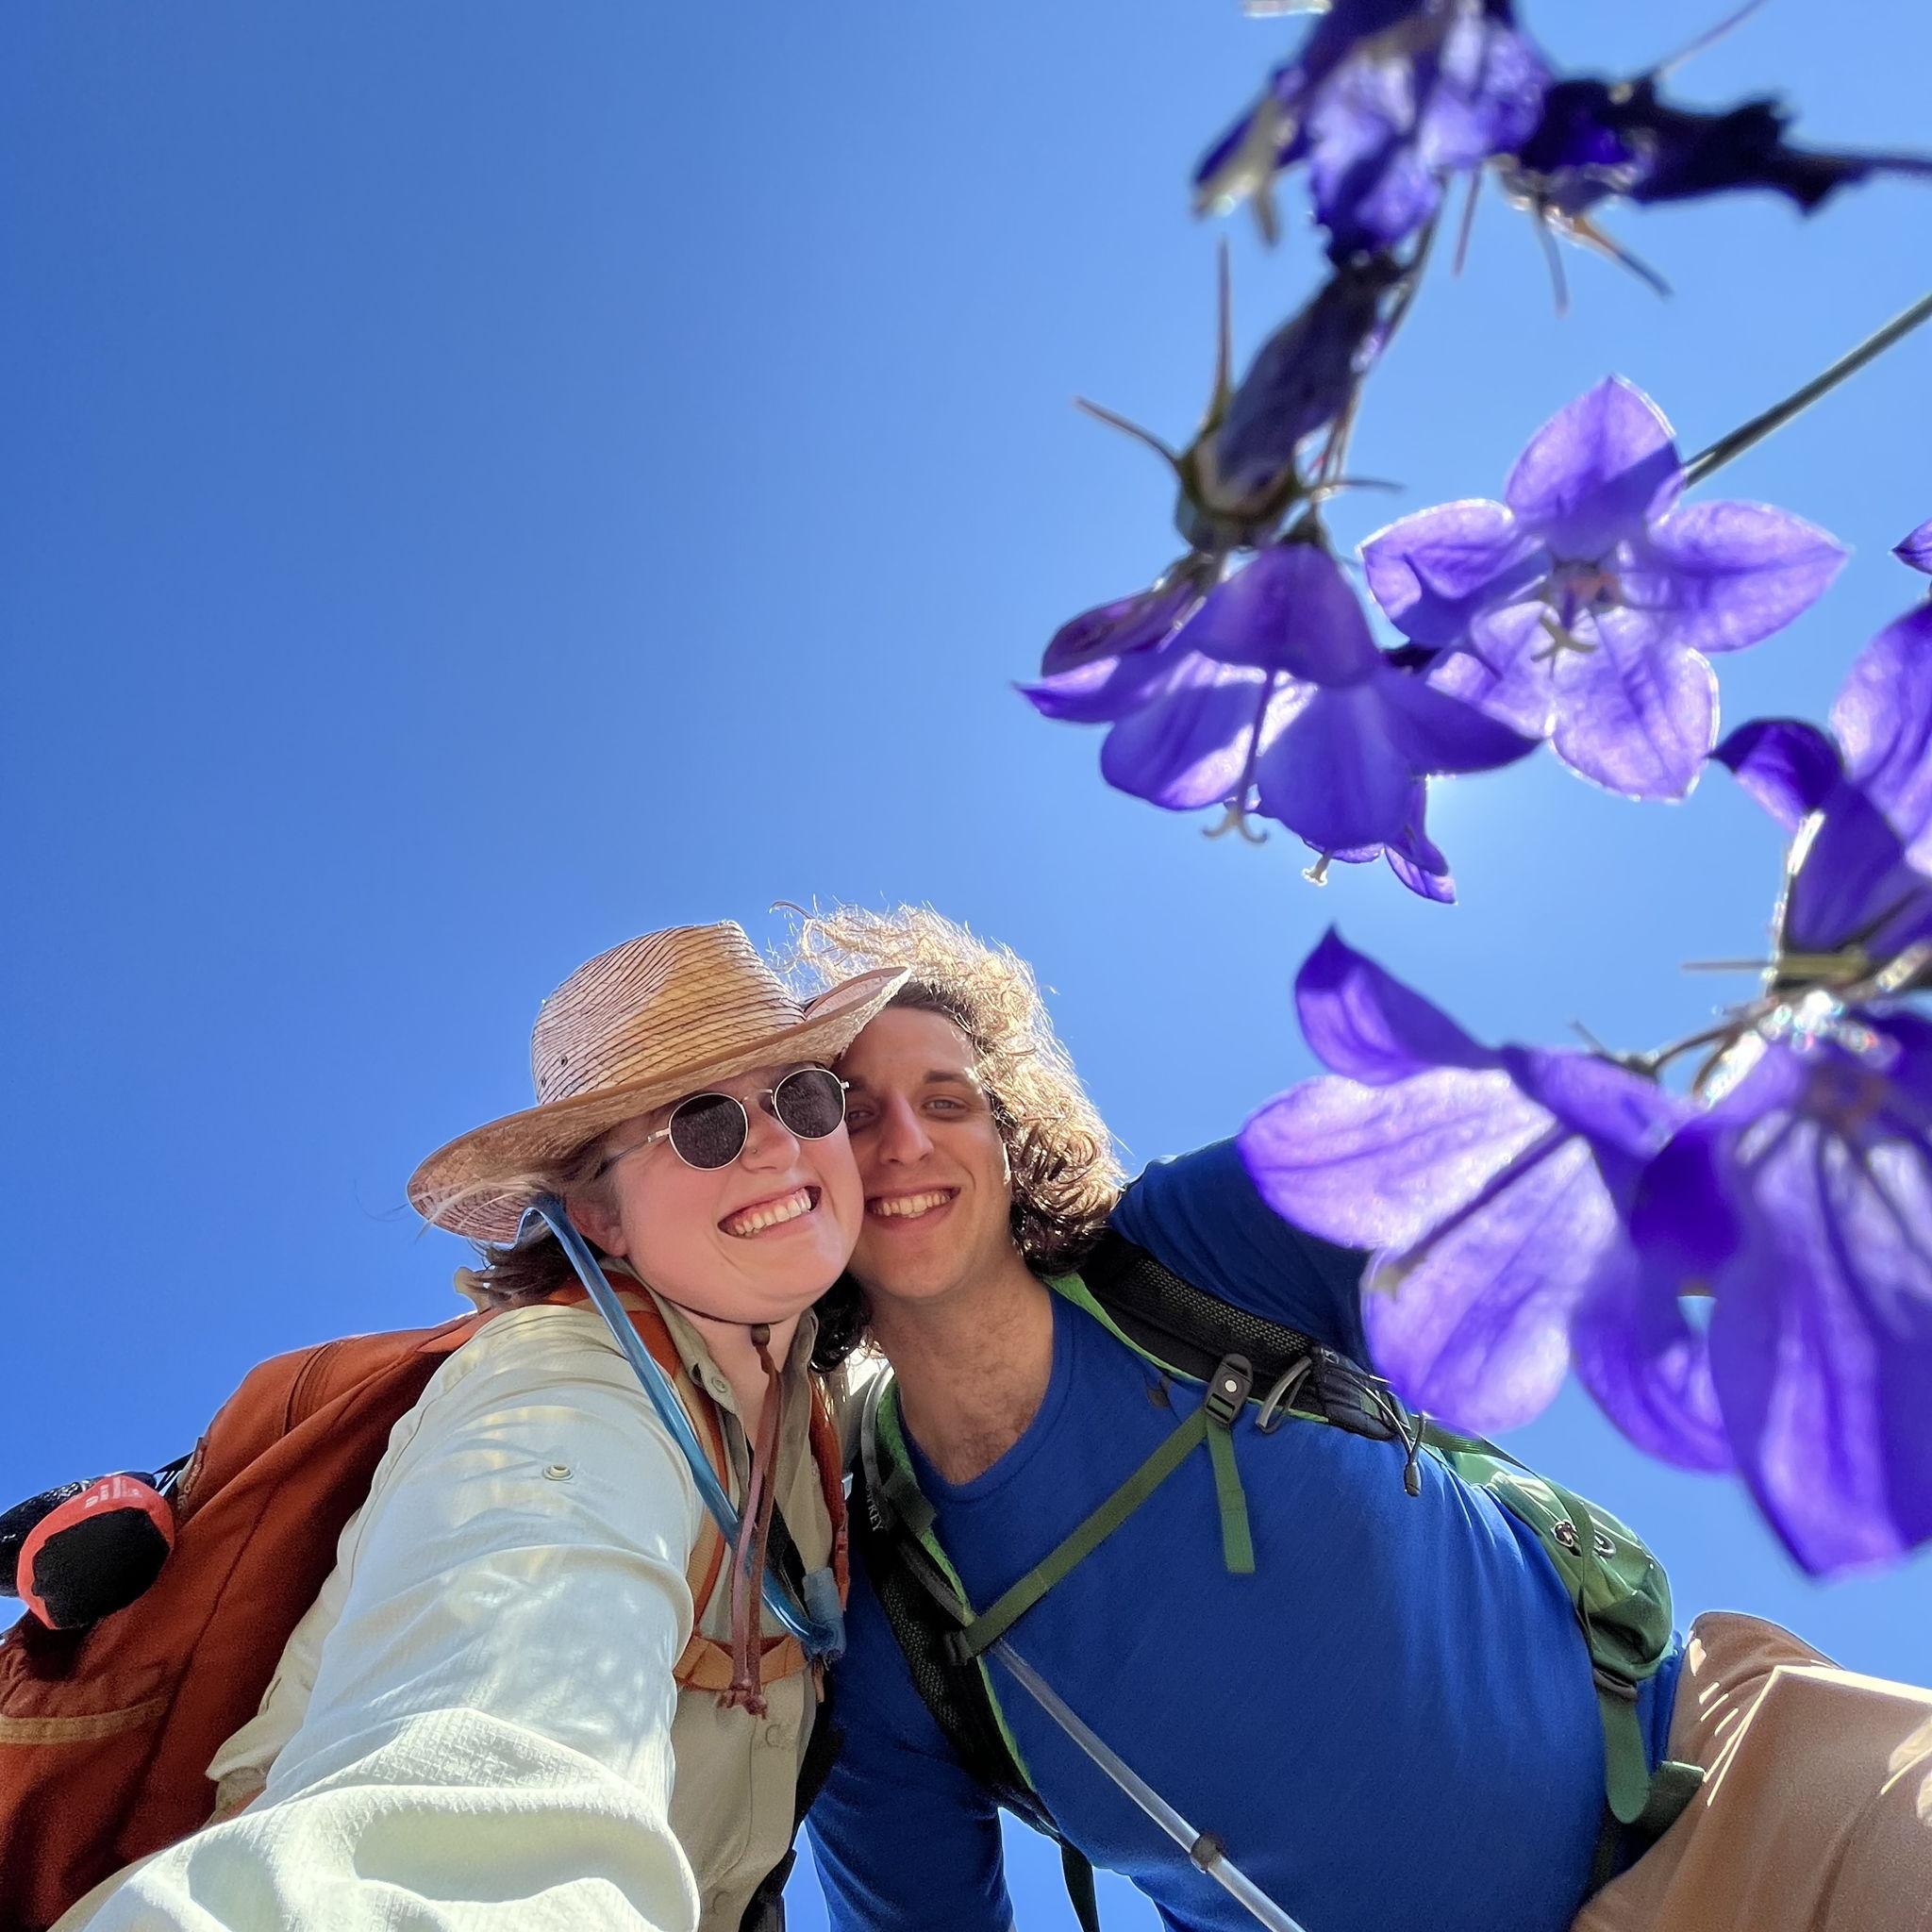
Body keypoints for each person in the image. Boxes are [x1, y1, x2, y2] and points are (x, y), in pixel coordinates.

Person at [791, 905, 1932, 1932]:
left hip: (1719, 1781)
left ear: (1008, 1142)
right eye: (850, 1112)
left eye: (948, 1099)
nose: (904, 1138)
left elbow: (1586, 1200)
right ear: (801, 1177)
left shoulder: (1187, 1253)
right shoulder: (881, 1628)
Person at [51, 920, 906, 1932]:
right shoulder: (559, 1381)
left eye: (801, 1096)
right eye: (701, 1123)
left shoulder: (814, 1392)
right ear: (599, 1213)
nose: (772, 1140)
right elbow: (484, 1768)